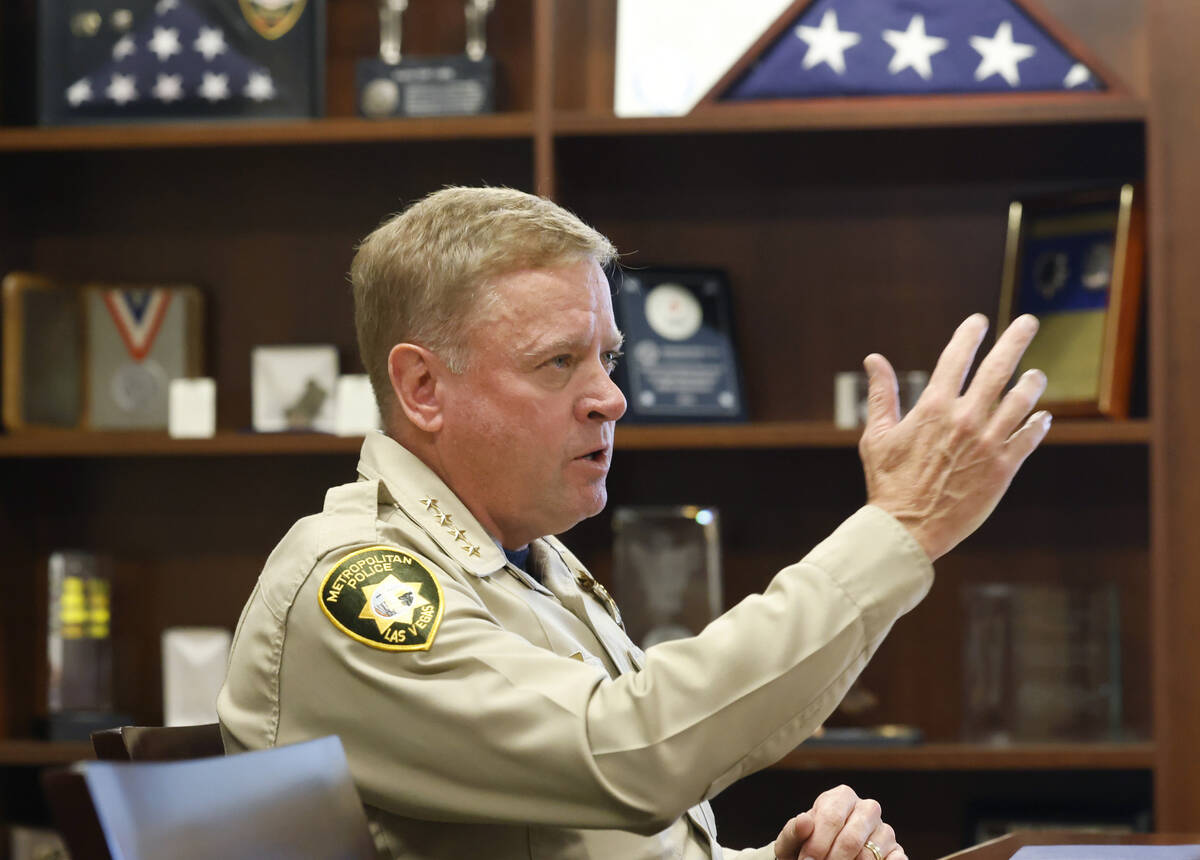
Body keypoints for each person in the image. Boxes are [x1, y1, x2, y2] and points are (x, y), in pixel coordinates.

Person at [218, 186, 1051, 860]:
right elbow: (627, 756)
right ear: (423, 389)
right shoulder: (356, 580)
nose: (611, 397)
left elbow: (607, 829)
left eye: (607, 358)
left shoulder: (531, 561)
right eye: (558, 362)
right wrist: (899, 529)